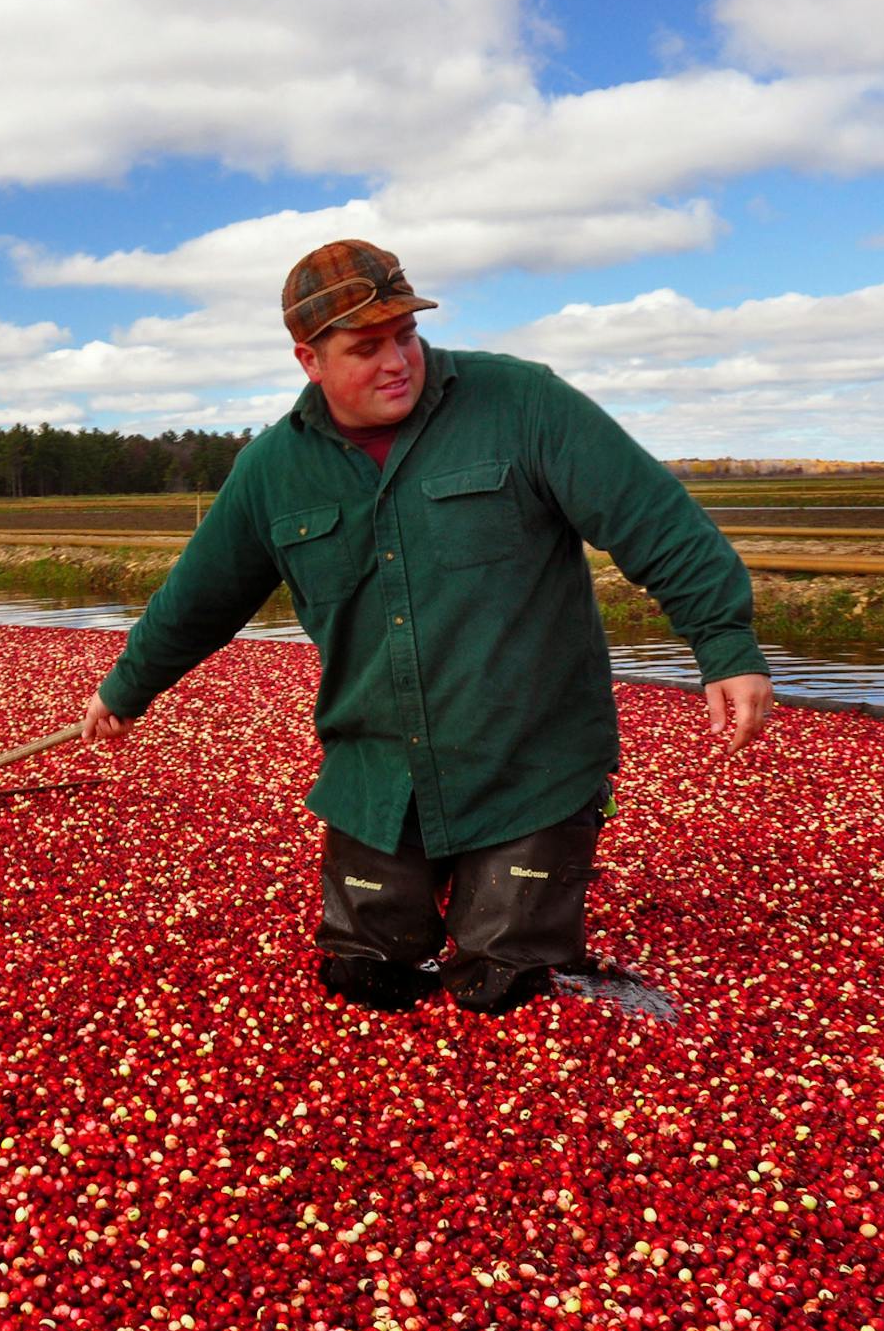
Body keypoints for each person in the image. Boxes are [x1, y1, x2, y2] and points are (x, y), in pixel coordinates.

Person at [81, 239, 774, 1015]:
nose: (397, 362)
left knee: (503, 985)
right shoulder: (272, 470)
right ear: (310, 361)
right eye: (366, 347)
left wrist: (724, 643)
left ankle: (520, 931)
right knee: (364, 976)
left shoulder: (521, 403)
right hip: (379, 772)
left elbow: (653, 519)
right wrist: (127, 688)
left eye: (405, 335)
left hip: (529, 764)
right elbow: (199, 597)